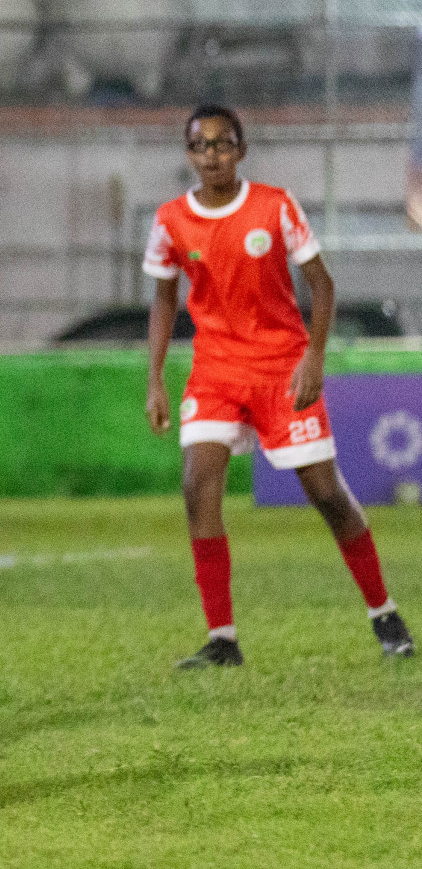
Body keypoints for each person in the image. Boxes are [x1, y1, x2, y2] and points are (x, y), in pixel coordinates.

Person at [144, 103, 413, 669]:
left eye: (222, 143)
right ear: (188, 154)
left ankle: (383, 611)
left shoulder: (274, 206)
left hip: (279, 366)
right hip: (215, 369)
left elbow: (322, 283)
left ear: (241, 149)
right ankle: (223, 640)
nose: (212, 154)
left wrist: (313, 358)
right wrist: (156, 381)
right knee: (198, 486)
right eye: (200, 145)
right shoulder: (171, 220)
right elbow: (165, 299)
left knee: (325, 494)